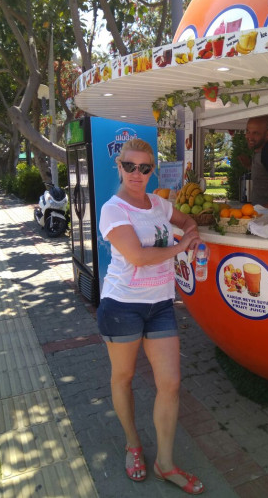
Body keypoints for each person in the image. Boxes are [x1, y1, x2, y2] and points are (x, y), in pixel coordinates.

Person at [97, 138, 205, 495]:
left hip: (160, 305)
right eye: (130, 166)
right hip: (122, 306)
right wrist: (181, 246)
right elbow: (139, 257)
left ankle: (165, 464)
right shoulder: (113, 210)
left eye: (144, 168)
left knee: (170, 383)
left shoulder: (159, 204)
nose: (137, 173)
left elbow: (186, 218)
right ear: (119, 167)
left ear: (151, 171)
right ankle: (133, 445)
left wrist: (192, 232)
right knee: (123, 377)